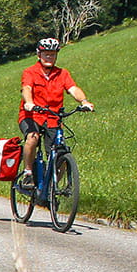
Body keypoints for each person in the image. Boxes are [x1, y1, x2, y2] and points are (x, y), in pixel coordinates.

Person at [18, 37, 93, 186]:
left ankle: (51, 189)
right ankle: (28, 172)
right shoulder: (30, 72)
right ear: (39, 55)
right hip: (32, 115)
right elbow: (27, 88)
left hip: (53, 118)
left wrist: (84, 102)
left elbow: (73, 89)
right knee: (32, 138)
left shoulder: (62, 74)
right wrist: (29, 102)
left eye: (52, 54)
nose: (49, 57)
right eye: (46, 54)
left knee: (61, 153)